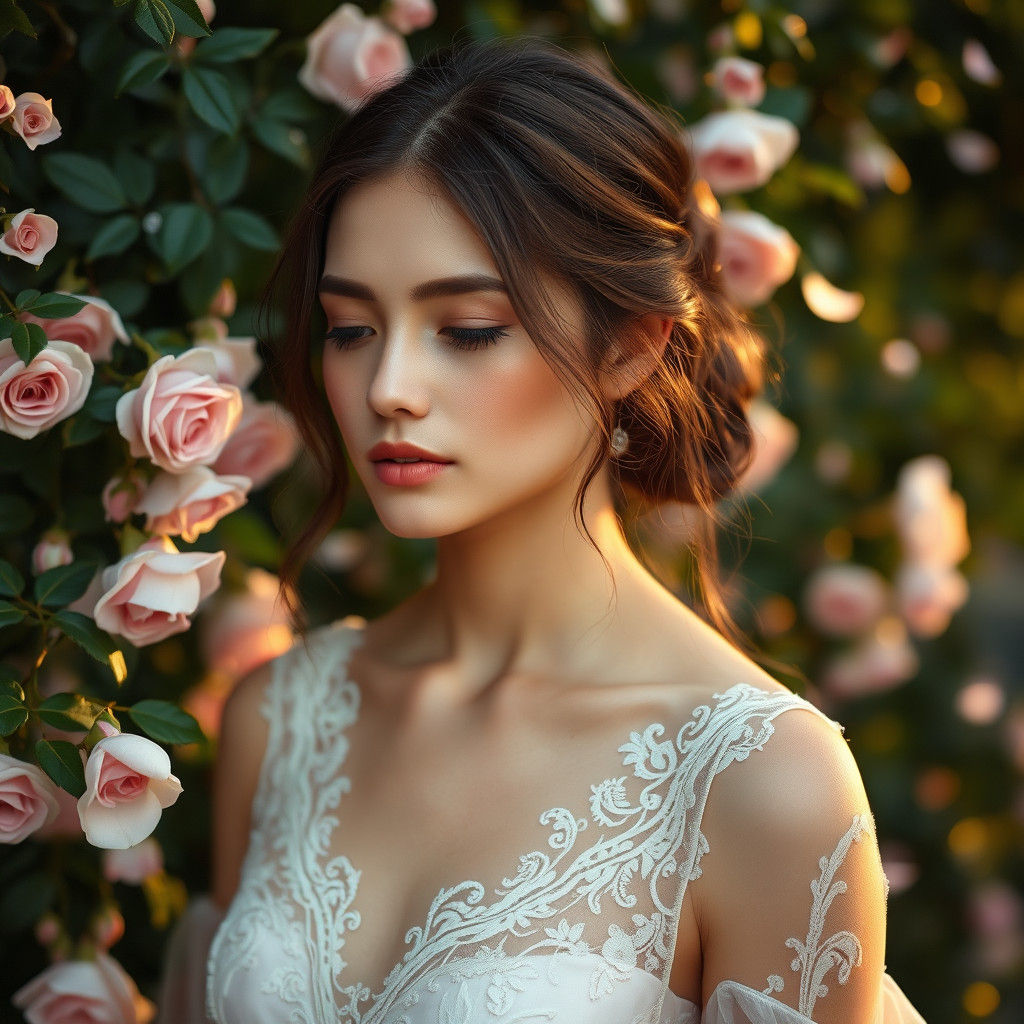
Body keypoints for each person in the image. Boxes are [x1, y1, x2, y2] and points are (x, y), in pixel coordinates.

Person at [156, 34, 928, 1024]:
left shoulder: (763, 784)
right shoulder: (280, 720)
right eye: (351, 328)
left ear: (630, 347)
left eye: (468, 328)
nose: (388, 387)